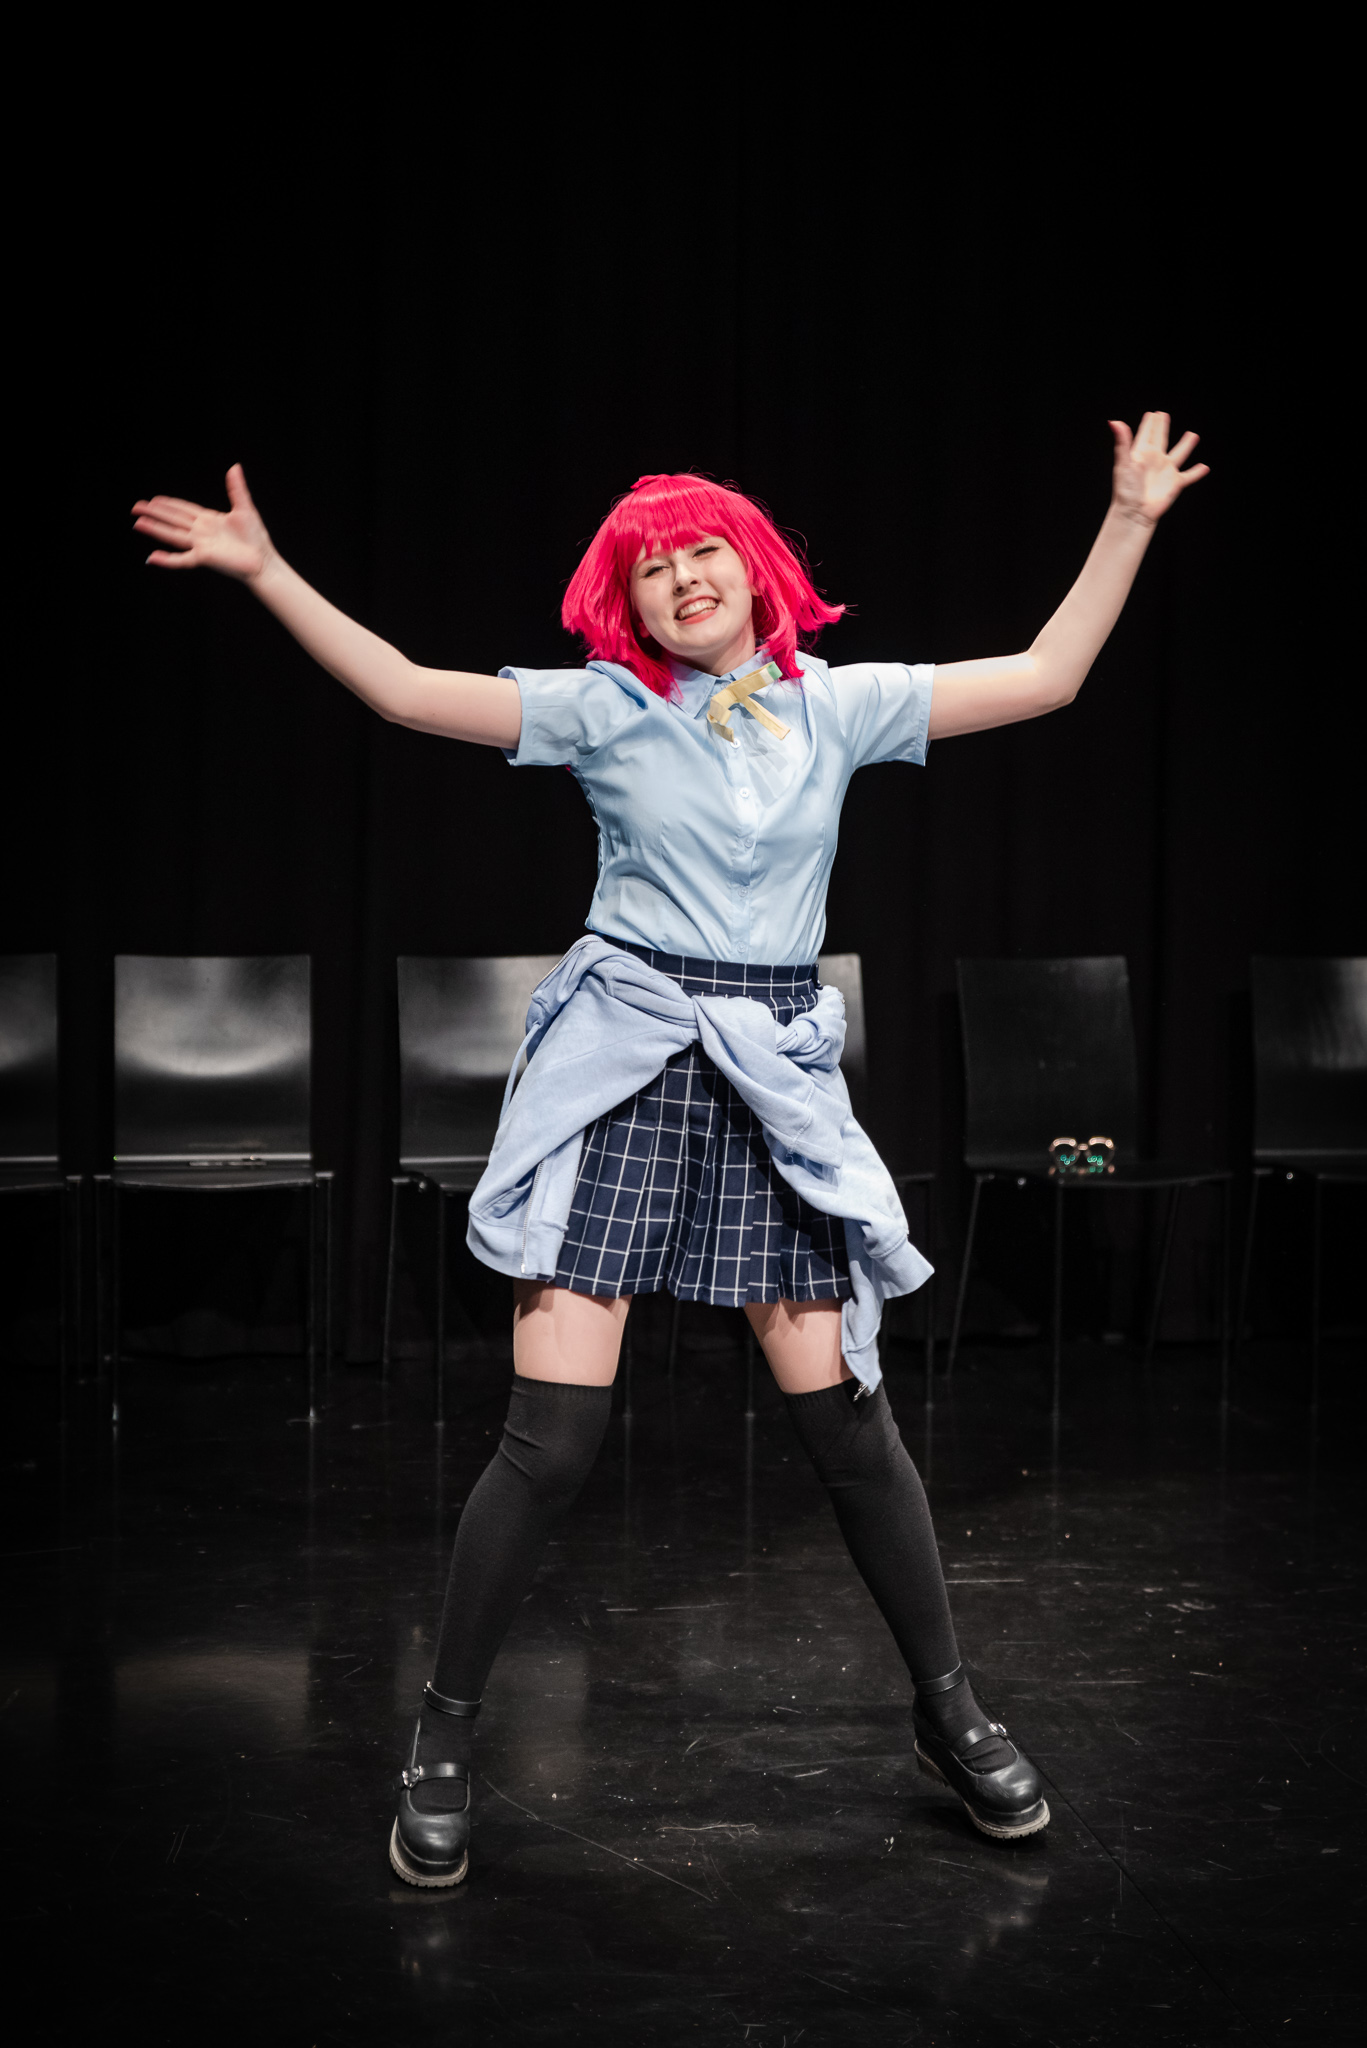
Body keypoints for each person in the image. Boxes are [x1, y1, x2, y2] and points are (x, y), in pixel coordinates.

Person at [132, 416, 1208, 1885]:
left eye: (706, 550)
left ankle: (948, 1709)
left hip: (770, 1071)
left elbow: (1045, 676)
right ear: (625, 602)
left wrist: (1130, 518)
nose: (684, 575)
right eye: (652, 566)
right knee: (553, 1438)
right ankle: (443, 1731)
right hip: (627, 1060)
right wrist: (266, 570)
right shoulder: (605, 710)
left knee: (848, 1427)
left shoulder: (839, 705)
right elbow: (403, 691)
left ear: (756, 569)